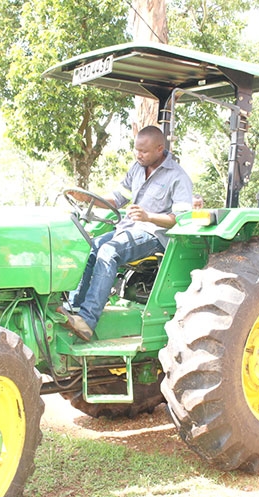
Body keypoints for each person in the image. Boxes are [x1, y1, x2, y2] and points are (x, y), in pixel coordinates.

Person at [60, 126, 193, 341]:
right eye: (136, 150)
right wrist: (87, 198)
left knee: (109, 252)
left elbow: (181, 218)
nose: (138, 155)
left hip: (155, 235)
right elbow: (117, 199)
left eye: (144, 151)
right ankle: (74, 308)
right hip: (129, 228)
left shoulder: (178, 177)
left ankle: (88, 321)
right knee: (91, 247)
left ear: (160, 149)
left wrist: (148, 216)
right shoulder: (137, 168)